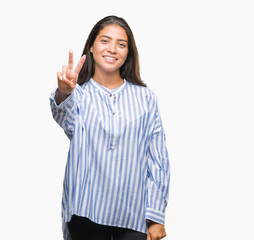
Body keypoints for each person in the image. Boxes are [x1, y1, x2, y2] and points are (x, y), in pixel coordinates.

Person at [49, 15, 170, 240]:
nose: (112, 49)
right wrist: (65, 92)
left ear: (128, 53)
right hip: (85, 212)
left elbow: (158, 160)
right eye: (105, 41)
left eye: (121, 44)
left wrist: (156, 217)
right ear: (92, 47)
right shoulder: (79, 95)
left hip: (133, 215)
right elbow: (64, 118)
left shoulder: (146, 98)